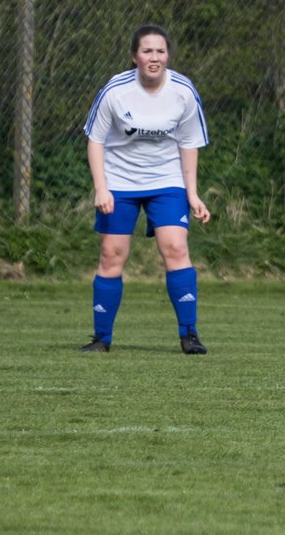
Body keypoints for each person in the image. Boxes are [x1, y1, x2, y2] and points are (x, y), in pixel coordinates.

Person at [79, 24, 212, 355]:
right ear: (134, 57)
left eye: (161, 51)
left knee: (176, 248)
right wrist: (101, 189)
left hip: (166, 182)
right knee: (112, 254)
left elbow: (189, 144)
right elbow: (95, 141)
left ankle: (189, 334)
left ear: (168, 55)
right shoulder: (115, 90)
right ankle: (101, 339)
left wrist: (192, 194)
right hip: (119, 182)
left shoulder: (183, 91)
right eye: (147, 51)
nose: (155, 58)